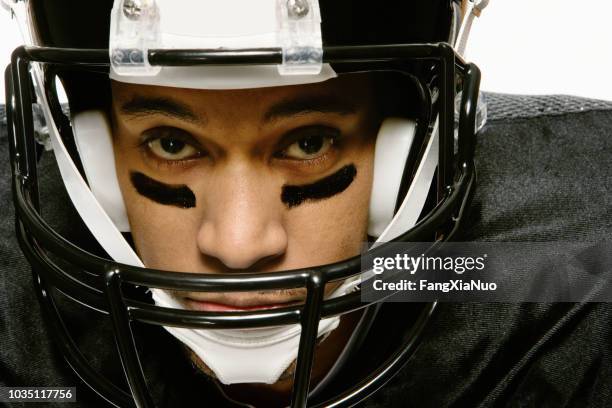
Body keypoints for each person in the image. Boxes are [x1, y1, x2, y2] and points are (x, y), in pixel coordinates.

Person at [2, 0, 612, 407]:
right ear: (94, 158)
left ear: (408, 151)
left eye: (308, 141)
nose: (238, 246)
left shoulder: (573, 249)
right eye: (171, 141)